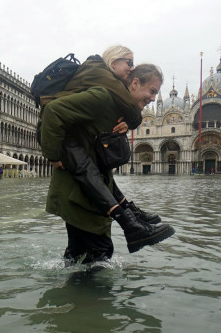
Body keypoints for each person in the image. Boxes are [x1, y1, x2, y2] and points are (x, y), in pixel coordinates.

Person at [42, 64, 175, 263]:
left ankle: (131, 219)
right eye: (152, 91)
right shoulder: (104, 98)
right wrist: (53, 156)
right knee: (98, 254)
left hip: (90, 188)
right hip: (79, 191)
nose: (153, 98)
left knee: (81, 255)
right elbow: (53, 111)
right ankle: (130, 225)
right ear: (136, 83)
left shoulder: (120, 108)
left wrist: (129, 123)